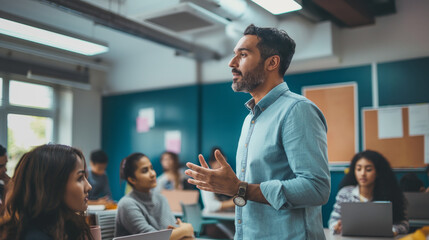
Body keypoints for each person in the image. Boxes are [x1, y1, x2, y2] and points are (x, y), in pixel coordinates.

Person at [185, 24, 330, 239]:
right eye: (234, 55)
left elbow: (316, 188)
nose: (231, 63)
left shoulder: (297, 110)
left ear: (272, 62)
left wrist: (239, 188)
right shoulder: (250, 120)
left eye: (243, 55)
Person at [0, 144, 93, 240]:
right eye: (80, 178)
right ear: (53, 185)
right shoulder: (36, 236)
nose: (89, 187)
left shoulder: (63, 228)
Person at [115, 152, 194, 239]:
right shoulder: (126, 204)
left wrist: (181, 232)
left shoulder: (161, 199)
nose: (153, 174)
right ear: (132, 179)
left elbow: (174, 231)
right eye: (145, 170)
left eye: (151, 168)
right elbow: (154, 238)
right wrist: (186, 229)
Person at [329, 150, 409, 236]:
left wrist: (392, 230)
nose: (362, 173)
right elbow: (333, 221)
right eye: (358, 169)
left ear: (378, 172)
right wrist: (336, 226)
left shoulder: (390, 194)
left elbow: (404, 224)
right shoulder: (345, 193)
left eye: (368, 169)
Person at [201, 147, 234, 213]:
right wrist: (234, 202)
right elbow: (210, 206)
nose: (221, 165)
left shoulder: (232, 178)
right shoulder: (206, 179)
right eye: (217, 162)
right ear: (211, 163)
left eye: (224, 162)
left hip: (231, 216)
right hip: (212, 218)